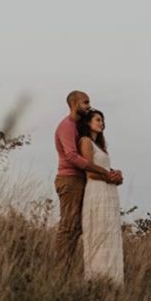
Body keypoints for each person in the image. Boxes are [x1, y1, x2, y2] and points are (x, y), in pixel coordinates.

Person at [53, 91, 122, 272]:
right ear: (74, 103)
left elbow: (93, 159)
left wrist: (112, 174)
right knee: (68, 226)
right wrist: (105, 173)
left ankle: (69, 268)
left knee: (79, 227)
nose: (88, 106)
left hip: (81, 180)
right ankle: (59, 270)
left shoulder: (79, 127)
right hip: (69, 179)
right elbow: (73, 157)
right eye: (85, 102)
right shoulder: (66, 126)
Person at [77, 109, 125, 283]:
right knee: (99, 232)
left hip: (108, 192)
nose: (102, 123)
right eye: (98, 120)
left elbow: (104, 169)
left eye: (103, 120)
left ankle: (112, 280)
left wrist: (116, 175)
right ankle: (97, 278)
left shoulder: (101, 147)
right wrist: (109, 176)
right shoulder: (85, 142)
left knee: (110, 234)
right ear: (88, 123)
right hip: (97, 190)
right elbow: (89, 172)